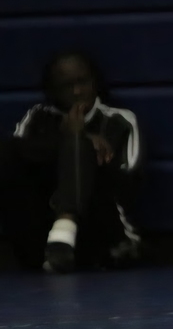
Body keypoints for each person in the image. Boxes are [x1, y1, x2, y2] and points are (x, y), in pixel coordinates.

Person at [0, 51, 143, 274]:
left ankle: (65, 227)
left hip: (104, 234)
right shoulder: (37, 117)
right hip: (42, 233)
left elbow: (126, 186)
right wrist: (69, 140)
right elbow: (13, 161)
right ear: (53, 90)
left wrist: (81, 147)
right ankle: (58, 239)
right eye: (66, 85)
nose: (77, 92)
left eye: (82, 82)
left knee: (78, 145)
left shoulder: (119, 120)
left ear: (95, 81)